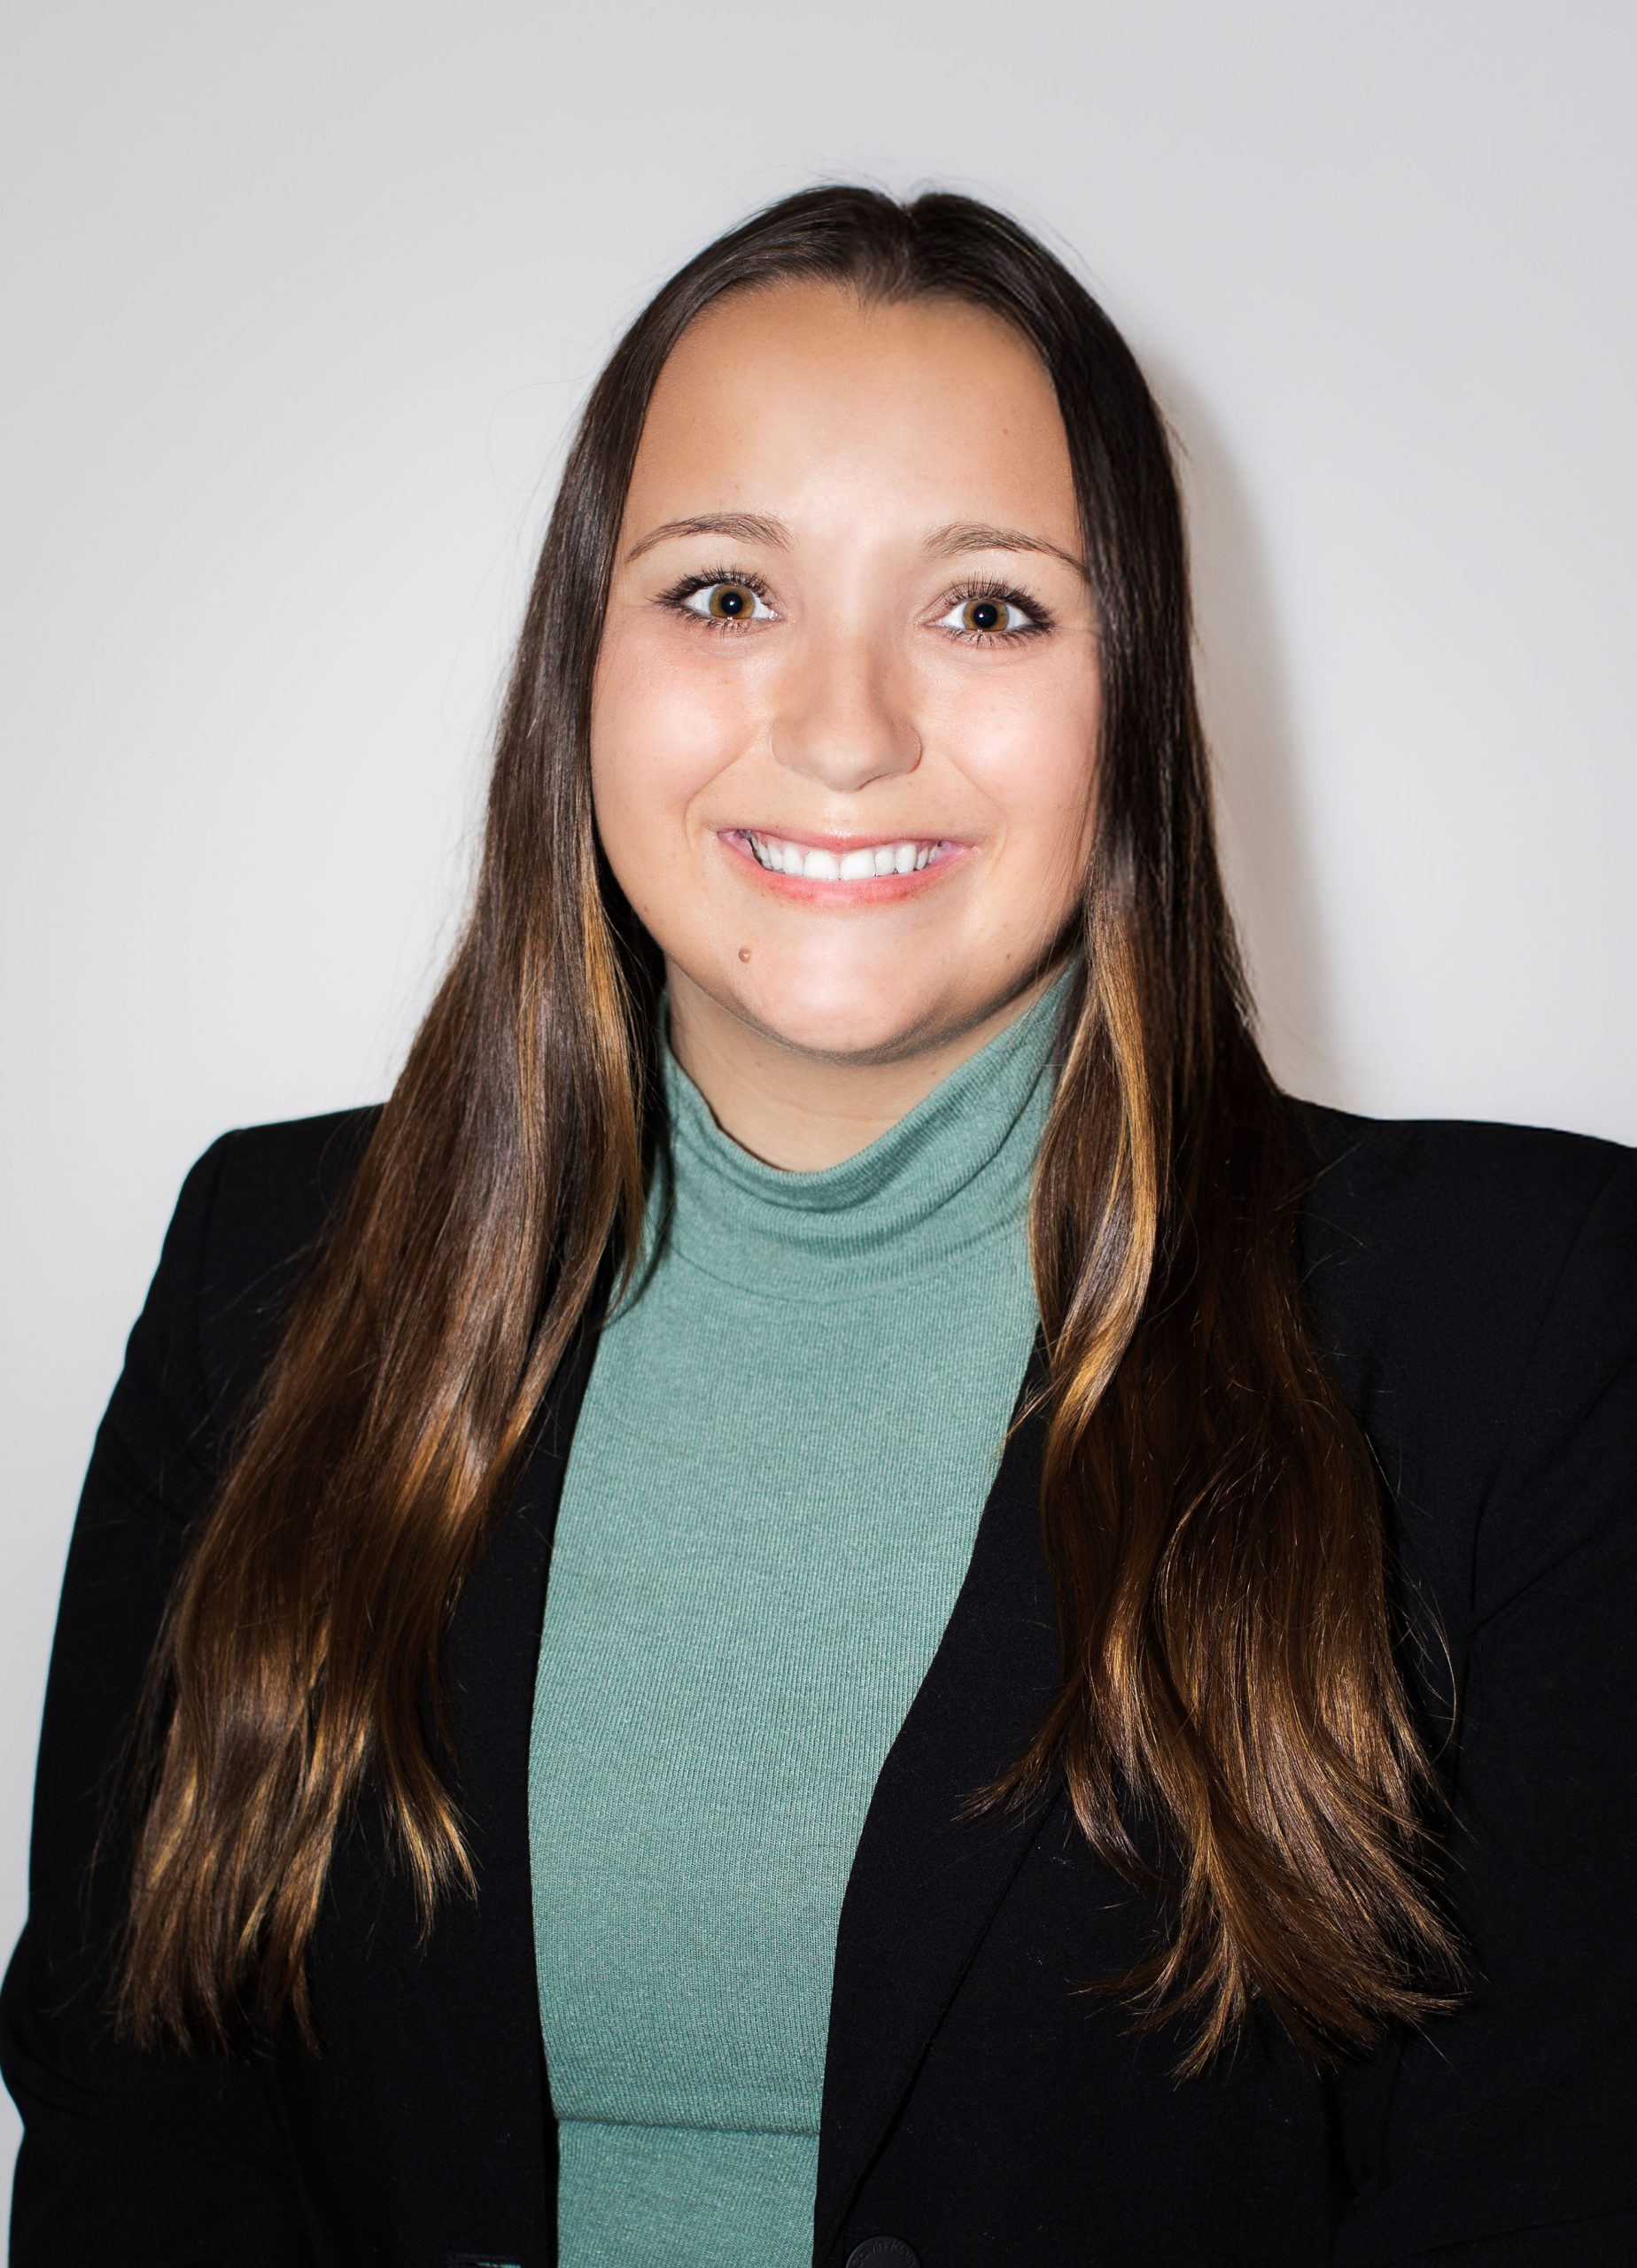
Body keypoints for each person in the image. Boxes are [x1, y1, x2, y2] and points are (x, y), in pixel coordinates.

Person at [4, 185, 1633, 2268]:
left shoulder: (1530, 1314)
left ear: (1133, 693)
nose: (847, 727)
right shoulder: (269, 1265)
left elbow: (1563, 2188)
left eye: (989, 609)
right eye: (721, 592)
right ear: (579, 659)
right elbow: (136, 2120)